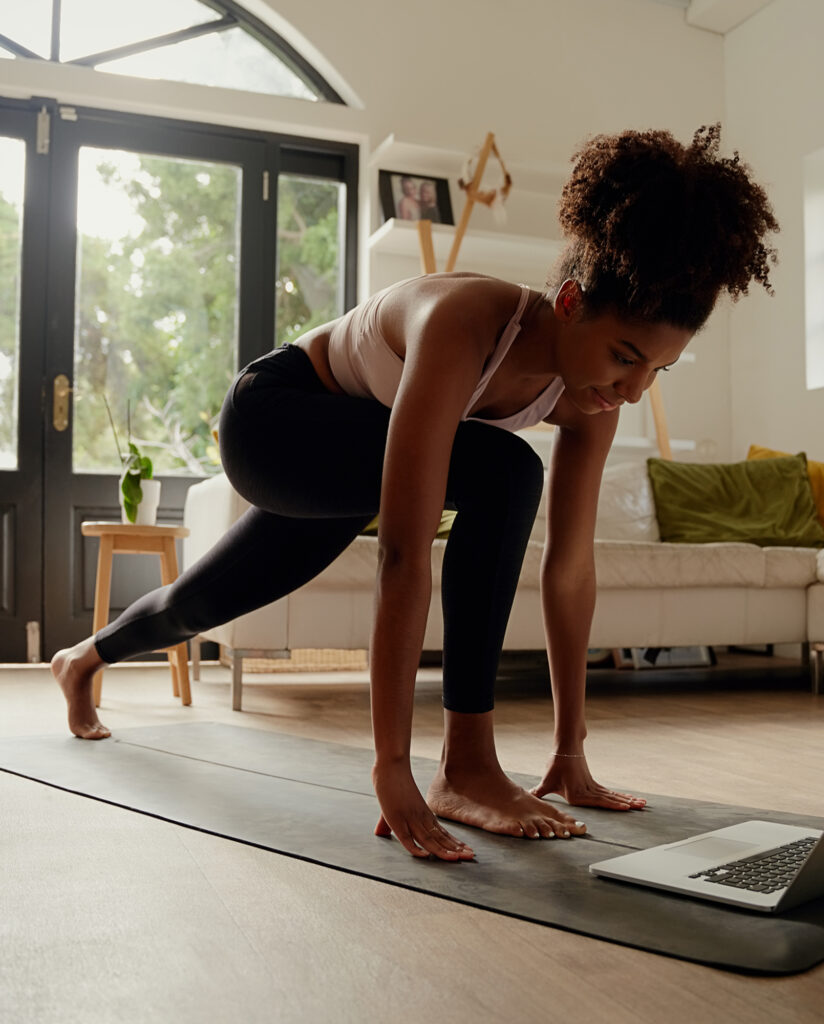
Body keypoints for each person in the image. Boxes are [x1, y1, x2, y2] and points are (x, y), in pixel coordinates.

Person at [52, 125, 778, 862]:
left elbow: (571, 569)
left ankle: (83, 658)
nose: (631, 388)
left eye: (658, 370)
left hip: (356, 449)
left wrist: (570, 751)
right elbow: (404, 551)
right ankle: (463, 767)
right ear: (567, 302)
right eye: (624, 357)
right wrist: (391, 768)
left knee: (202, 602)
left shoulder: (591, 396)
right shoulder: (463, 323)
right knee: (507, 470)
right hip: (276, 421)